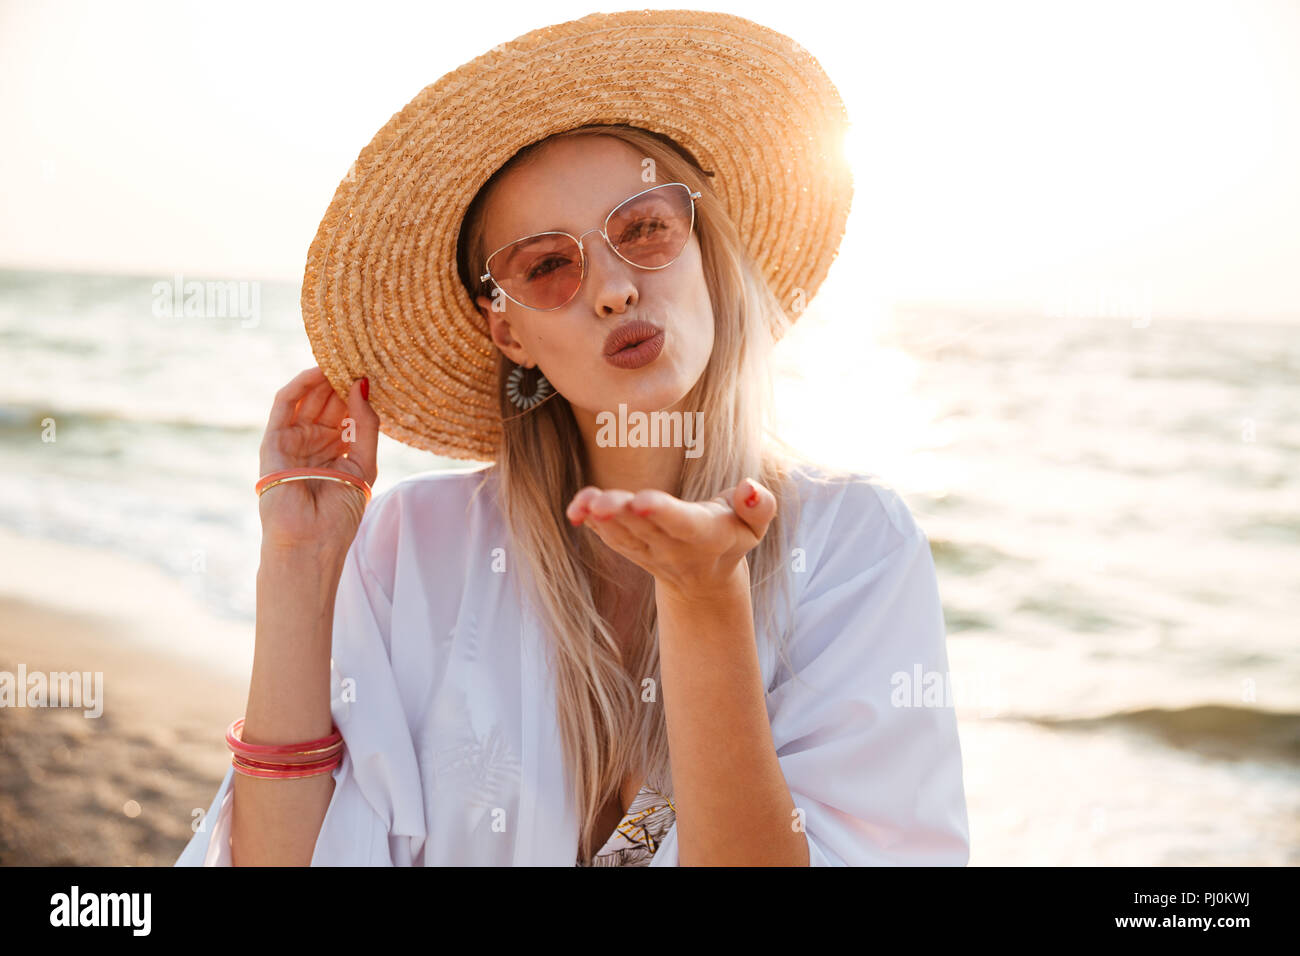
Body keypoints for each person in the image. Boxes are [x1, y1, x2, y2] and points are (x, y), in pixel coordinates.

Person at [176, 9, 969, 867]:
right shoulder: (414, 546)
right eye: (549, 264)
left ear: (704, 243)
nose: (615, 289)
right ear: (506, 330)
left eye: (644, 228)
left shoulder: (855, 545)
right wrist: (300, 560)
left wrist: (707, 601)